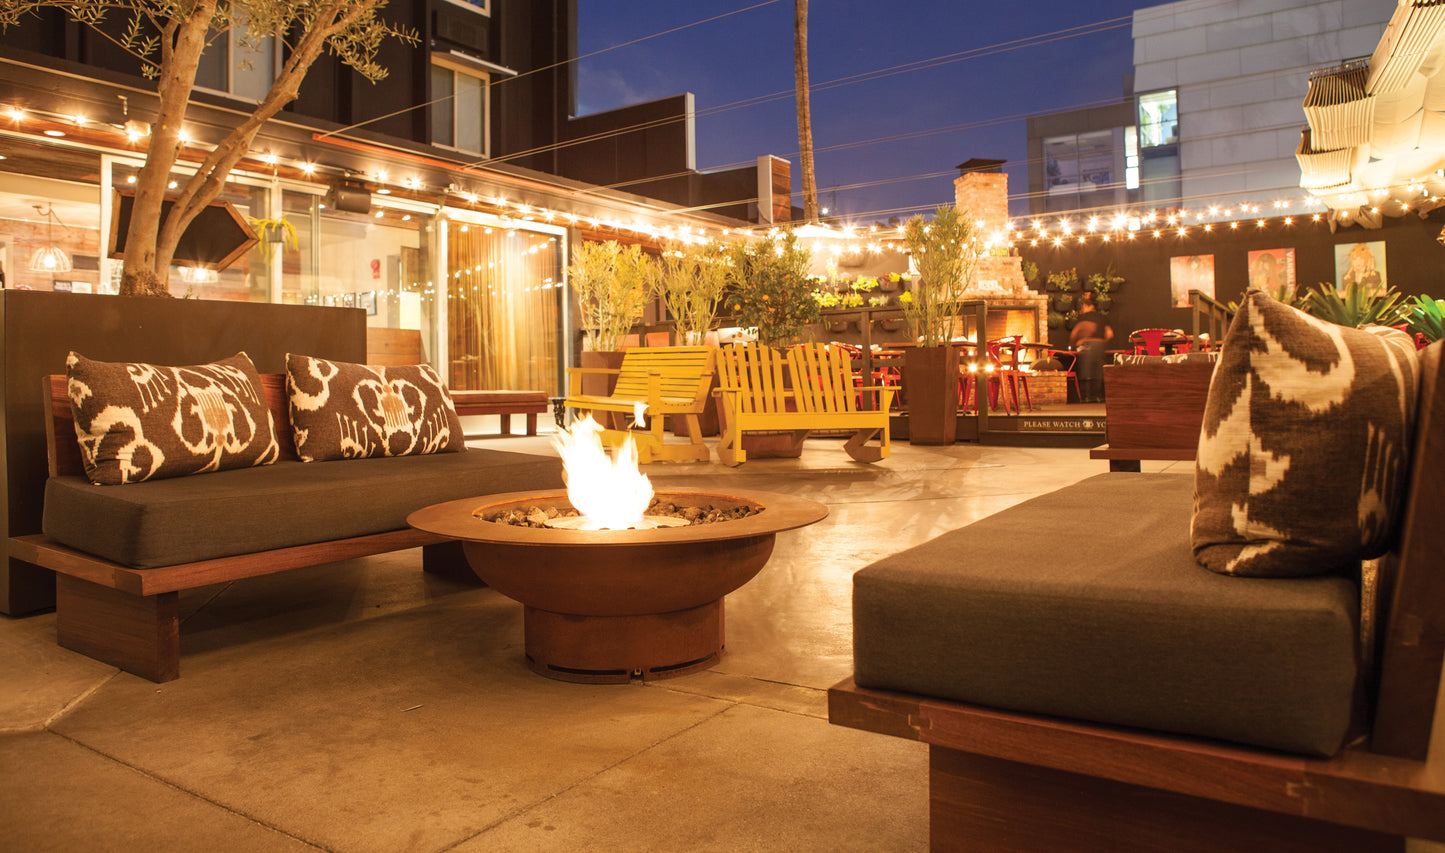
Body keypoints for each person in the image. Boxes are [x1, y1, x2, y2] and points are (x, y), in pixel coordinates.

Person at [1070, 293, 1113, 404]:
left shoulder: (1083, 318)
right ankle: (1098, 397)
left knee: (1086, 371)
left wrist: (1074, 345)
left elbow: (1074, 334)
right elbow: (1110, 334)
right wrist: (1102, 342)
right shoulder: (1103, 318)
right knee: (1098, 372)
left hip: (1087, 346)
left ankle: (1086, 397)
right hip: (1100, 346)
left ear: (1086, 306)